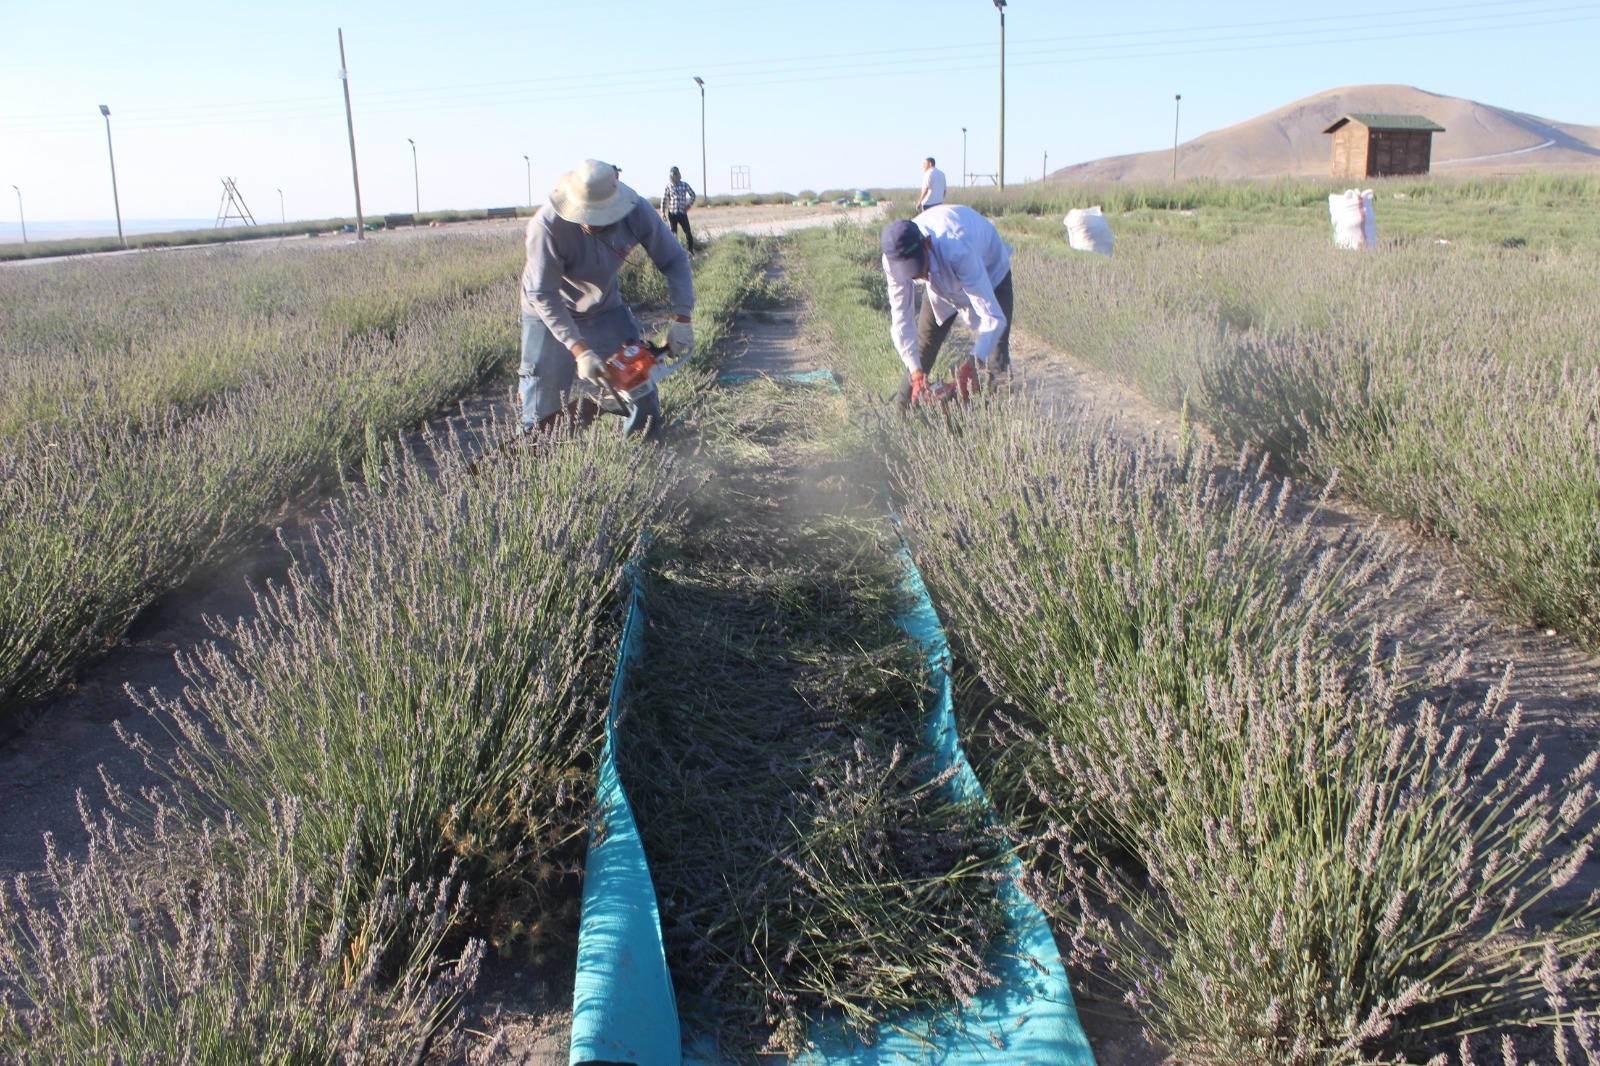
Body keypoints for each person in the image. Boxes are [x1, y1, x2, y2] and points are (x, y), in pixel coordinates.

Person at [519, 158, 695, 439]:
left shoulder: (636, 211)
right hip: (549, 312)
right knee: (543, 405)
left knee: (640, 385)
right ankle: (532, 470)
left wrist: (682, 318)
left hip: (603, 308)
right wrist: (580, 351)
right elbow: (543, 294)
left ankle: (648, 460)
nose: (591, 222)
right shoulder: (547, 226)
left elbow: (674, 259)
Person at [879, 205, 1013, 407]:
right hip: (941, 283)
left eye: (917, 268)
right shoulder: (892, 263)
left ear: (928, 243)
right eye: (910, 274)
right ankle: (900, 420)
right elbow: (901, 321)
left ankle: (999, 416)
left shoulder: (957, 248)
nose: (917, 277)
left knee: (995, 354)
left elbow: (992, 318)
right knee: (924, 348)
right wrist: (916, 373)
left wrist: (972, 365)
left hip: (991, 272)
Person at [661, 166, 698, 253]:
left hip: (682, 212)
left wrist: (688, 206)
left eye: (676, 174)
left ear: (679, 175)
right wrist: (663, 212)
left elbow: (693, 195)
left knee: (687, 231)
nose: (675, 176)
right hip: (672, 213)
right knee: (673, 233)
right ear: (671, 176)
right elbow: (664, 199)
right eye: (673, 174)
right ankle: (674, 251)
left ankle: (690, 250)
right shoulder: (668, 186)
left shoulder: (684, 185)